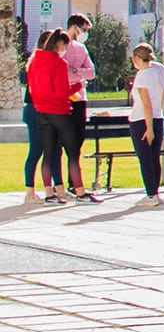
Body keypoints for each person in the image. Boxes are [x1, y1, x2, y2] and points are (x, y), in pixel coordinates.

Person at [29, 30, 86, 204]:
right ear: (59, 45)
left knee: (49, 153)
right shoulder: (59, 63)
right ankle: (80, 191)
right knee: (72, 152)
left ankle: (49, 193)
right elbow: (62, 93)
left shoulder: (34, 62)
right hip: (59, 111)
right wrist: (77, 86)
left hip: (41, 110)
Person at [127, 43, 164, 206]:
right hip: (157, 117)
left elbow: (145, 103)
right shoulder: (159, 69)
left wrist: (148, 128)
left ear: (137, 58)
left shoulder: (143, 75)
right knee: (154, 158)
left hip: (141, 119)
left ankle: (151, 194)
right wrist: (157, 112)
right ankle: (155, 191)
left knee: (145, 158)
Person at [21, 29, 62, 204]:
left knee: (51, 150)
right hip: (36, 110)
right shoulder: (38, 63)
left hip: (43, 109)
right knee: (37, 150)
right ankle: (30, 191)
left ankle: (53, 189)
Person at [62, 13, 96, 199]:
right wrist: (78, 76)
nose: (84, 34)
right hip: (64, 97)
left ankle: (73, 182)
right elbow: (62, 74)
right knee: (62, 142)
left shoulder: (81, 48)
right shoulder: (61, 46)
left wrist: (75, 71)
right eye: (83, 30)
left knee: (77, 142)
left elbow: (90, 73)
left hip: (79, 99)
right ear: (75, 27)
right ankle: (61, 184)